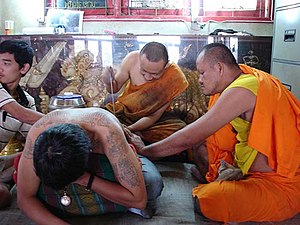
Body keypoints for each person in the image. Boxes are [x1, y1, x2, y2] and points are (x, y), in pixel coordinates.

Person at [136, 43, 300, 223]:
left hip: (279, 184)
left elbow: (189, 137)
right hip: (246, 169)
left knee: (207, 201)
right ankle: (231, 183)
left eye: (202, 73)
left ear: (219, 68)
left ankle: (230, 189)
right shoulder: (241, 80)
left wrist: (145, 151)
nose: (198, 79)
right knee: (201, 147)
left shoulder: (243, 89)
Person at [16, 108, 163, 225]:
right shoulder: (37, 134)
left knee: (151, 183)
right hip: (79, 175)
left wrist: (85, 179)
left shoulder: (107, 132)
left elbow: (139, 200)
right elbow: (25, 198)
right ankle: (118, 204)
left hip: (103, 166)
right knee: (35, 189)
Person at [101, 41, 189, 145]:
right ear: (140, 59)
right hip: (124, 113)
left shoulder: (173, 76)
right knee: (101, 121)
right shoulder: (132, 59)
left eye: (154, 74)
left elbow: (153, 116)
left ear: (165, 66)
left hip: (154, 122)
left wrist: (130, 129)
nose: (148, 77)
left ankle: (140, 141)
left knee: (179, 132)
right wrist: (108, 82)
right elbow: (113, 89)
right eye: (143, 71)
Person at [0, 40, 44, 209]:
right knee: (3, 196)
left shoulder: (28, 101)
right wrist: (66, 119)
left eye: (6, 63)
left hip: (2, 163)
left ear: (23, 68)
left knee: (35, 154)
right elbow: (21, 114)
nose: (0, 68)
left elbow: (34, 135)